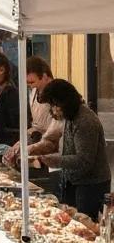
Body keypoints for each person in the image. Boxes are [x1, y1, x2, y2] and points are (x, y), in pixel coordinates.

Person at [36, 79, 111, 219]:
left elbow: (84, 160)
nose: (54, 109)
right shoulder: (71, 117)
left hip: (90, 185)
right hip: (74, 180)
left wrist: (56, 160)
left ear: (65, 102)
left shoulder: (84, 121)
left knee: (83, 224)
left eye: (55, 105)